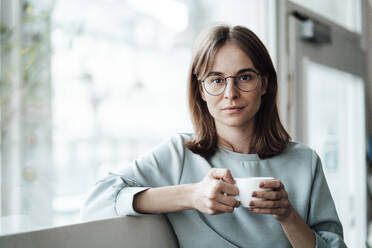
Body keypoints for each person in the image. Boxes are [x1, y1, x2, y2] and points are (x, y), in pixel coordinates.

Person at [80, 25, 346, 248]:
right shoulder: (179, 155)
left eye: (244, 77)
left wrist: (287, 215)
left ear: (264, 84)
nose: (230, 93)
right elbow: (97, 201)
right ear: (201, 91)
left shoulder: (305, 162)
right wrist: (191, 195)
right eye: (216, 80)